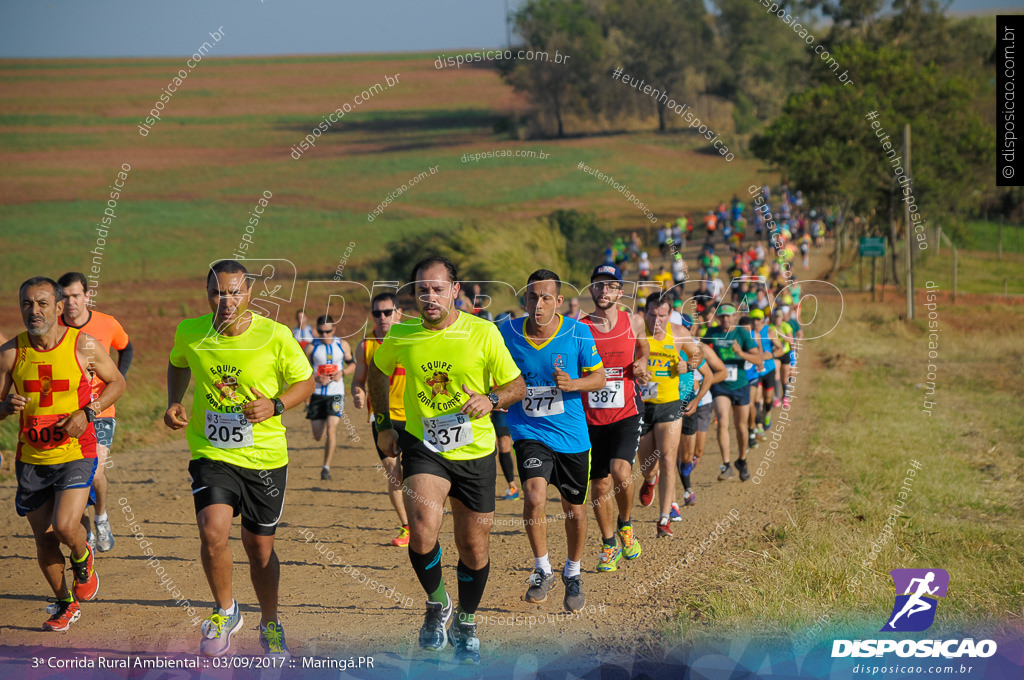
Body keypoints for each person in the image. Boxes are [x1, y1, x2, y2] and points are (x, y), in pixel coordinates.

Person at [368, 255, 525, 664]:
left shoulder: (483, 332)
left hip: (474, 451)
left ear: (455, 291)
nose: (430, 296)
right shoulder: (403, 332)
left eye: (438, 288)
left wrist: (490, 399)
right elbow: (377, 371)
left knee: (473, 546)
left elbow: (516, 385)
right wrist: (384, 422)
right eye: (422, 290)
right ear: (414, 294)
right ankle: (438, 604)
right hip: (425, 447)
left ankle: (467, 620)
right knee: (422, 532)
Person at [165, 260, 315, 657]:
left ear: (250, 293)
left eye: (235, 292)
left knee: (258, 548)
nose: (226, 300)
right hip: (211, 450)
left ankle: (270, 622)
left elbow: (306, 381)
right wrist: (173, 402)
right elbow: (178, 362)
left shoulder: (275, 336)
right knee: (212, 531)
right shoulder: (190, 331)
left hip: (264, 456)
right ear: (207, 294)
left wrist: (276, 405)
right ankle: (226, 611)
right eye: (218, 292)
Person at [1, 277, 126, 631]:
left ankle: (83, 556)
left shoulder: (83, 345)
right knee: (43, 539)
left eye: (42, 303)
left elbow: (117, 382)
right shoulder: (11, 352)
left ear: (58, 307)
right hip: (32, 458)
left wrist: (87, 412)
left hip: (76, 449)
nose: (33, 311)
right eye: (27, 303)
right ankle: (63, 603)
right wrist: (5, 406)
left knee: (65, 526)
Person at [500, 269, 605, 611]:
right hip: (529, 431)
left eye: (546, 297)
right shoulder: (507, 332)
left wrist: (573, 384)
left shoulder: (578, 332)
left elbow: (600, 377)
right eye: (532, 297)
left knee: (574, 510)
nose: (538, 304)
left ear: (559, 301)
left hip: (572, 435)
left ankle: (572, 572)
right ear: (525, 299)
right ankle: (541, 568)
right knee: (534, 495)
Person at [57, 272, 132, 553]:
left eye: (76, 295)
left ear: (87, 296)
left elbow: (126, 347)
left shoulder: (107, 323)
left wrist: (117, 377)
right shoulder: (56, 329)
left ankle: (101, 517)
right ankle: (82, 525)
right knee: (70, 473)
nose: (70, 302)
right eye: (64, 297)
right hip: (66, 411)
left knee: (96, 472)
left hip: (101, 408)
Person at [582, 264, 649, 571]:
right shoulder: (579, 328)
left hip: (626, 411)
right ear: (591, 290)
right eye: (598, 285)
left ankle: (626, 523)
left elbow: (644, 346)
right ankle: (609, 544)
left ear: (620, 292)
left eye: (610, 286)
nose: (603, 291)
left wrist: (642, 362)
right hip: (590, 417)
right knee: (598, 485)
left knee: (621, 471)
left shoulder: (633, 320)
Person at [636, 293, 698, 537]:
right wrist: (635, 369)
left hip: (670, 404)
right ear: (646, 312)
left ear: (669, 314)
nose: (657, 319)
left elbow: (697, 354)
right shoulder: (636, 333)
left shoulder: (680, 333)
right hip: (642, 405)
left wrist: (689, 365)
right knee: (647, 467)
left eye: (662, 315)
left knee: (668, 459)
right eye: (653, 314)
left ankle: (664, 518)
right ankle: (650, 480)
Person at [352, 292, 411, 546]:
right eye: (377, 313)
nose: (382, 317)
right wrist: (357, 392)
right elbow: (358, 380)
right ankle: (407, 527)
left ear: (398, 313)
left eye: (388, 312)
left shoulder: (413, 340)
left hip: (413, 419)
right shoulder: (366, 345)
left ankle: (422, 520)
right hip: (383, 419)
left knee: (413, 474)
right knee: (392, 472)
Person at [700, 304, 765, 482]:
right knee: (722, 421)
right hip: (720, 384)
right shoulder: (712, 332)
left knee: (741, 427)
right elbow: (698, 351)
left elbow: (758, 358)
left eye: (729, 317)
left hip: (741, 384)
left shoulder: (742, 333)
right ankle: (726, 464)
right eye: (722, 317)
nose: (725, 320)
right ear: (718, 318)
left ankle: (742, 460)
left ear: (735, 317)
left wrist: (741, 353)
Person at [675, 315, 727, 506]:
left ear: (693, 330)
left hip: (701, 402)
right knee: (671, 451)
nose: (683, 331)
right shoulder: (668, 346)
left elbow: (721, 372)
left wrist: (699, 386)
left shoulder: (700, 349)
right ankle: (685, 490)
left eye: (686, 328)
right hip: (674, 403)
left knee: (696, 452)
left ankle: (685, 468)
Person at [304, 315, 355, 481]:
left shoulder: (342, 344)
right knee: (318, 436)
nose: (324, 335)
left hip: (336, 394)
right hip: (317, 394)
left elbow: (353, 364)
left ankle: (326, 468)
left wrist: (343, 373)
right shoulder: (311, 348)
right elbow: (301, 371)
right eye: (321, 332)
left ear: (334, 329)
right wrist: (316, 378)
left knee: (332, 430)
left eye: (328, 331)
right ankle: (324, 426)